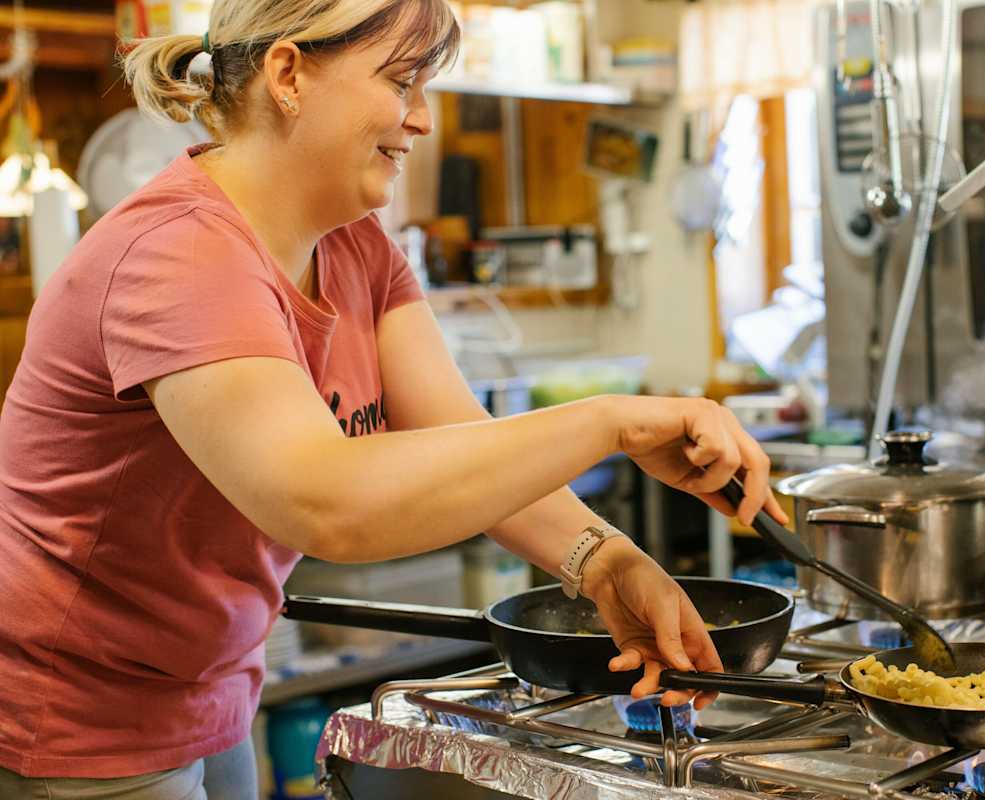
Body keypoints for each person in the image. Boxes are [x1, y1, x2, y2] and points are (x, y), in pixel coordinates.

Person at [0, 0, 788, 796]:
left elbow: (462, 444)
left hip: (206, 684)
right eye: (401, 81)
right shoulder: (180, 255)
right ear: (288, 75)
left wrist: (608, 562)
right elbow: (326, 502)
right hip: (75, 711)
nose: (420, 119)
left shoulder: (355, 244)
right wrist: (613, 421)